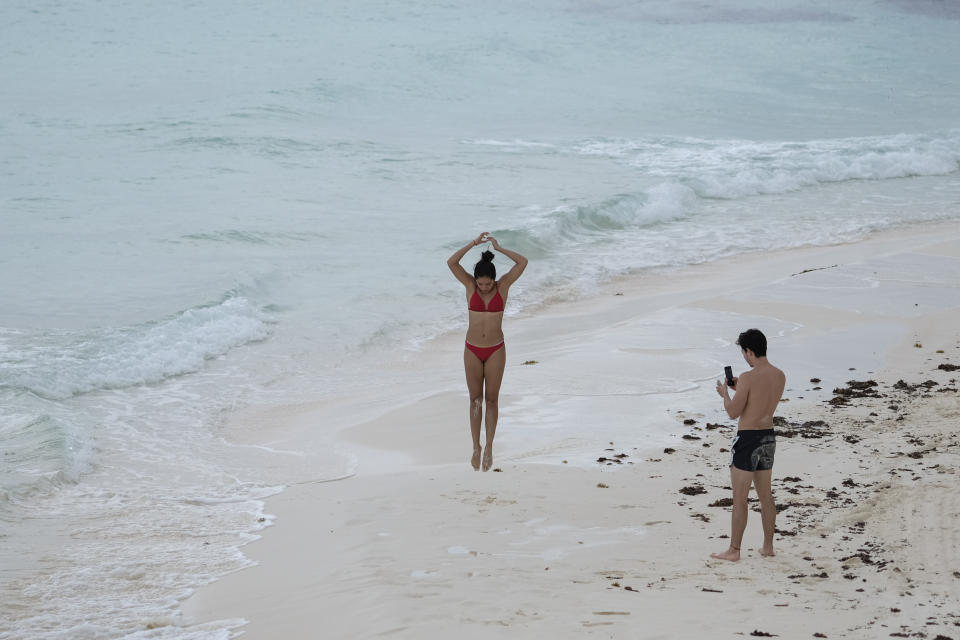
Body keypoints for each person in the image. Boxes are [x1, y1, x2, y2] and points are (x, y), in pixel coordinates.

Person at [447, 232, 528, 471]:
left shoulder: (503, 288)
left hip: (495, 350)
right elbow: (451, 263)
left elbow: (522, 262)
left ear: (494, 280)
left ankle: (490, 446)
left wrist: (498, 248)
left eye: (487, 284)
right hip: (472, 349)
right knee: (475, 401)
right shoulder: (469, 286)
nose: (483, 288)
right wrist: (473, 244)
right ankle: (475, 446)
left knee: (491, 400)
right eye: (480, 283)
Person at [711, 328, 786, 562]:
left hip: (748, 440)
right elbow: (759, 400)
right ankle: (768, 546)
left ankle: (734, 550)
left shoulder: (748, 377)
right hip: (768, 437)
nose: (744, 357)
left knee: (740, 498)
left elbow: (734, 412)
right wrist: (740, 388)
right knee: (766, 496)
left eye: (744, 353)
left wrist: (725, 393)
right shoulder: (779, 375)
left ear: (749, 351)